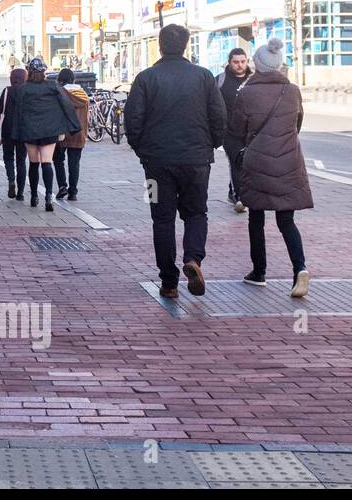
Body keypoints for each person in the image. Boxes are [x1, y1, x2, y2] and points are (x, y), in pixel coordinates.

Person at [123, 24, 227, 299]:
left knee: (162, 219)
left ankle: (168, 281)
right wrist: (211, 145)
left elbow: (132, 121)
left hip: (156, 163)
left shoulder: (146, 78)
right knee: (196, 212)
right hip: (196, 161)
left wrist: (142, 150)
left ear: (160, 45)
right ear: (185, 46)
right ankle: (193, 259)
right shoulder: (204, 77)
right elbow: (219, 117)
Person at [231, 38, 312, 297]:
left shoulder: (246, 93)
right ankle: (299, 268)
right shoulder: (293, 91)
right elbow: (297, 124)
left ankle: (259, 272)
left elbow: (238, 130)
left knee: (256, 218)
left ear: (257, 65)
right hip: (289, 162)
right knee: (286, 220)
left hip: (258, 162)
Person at [10, 58, 80, 211]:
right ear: (44, 72)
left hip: (29, 130)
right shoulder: (52, 85)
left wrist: (16, 132)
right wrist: (73, 125)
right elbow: (66, 104)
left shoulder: (23, 88)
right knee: (47, 163)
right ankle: (48, 195)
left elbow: (18, 111)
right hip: (49, 130)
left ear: (30, 71)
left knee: (34, 163)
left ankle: (34, 196)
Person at [217, 47, 251, 214]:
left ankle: (232, 190)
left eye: (243, 61)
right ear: (229, 63)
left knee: (248, 164)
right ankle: (240, 198)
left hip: (251, 131)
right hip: (230, 132)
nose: (239, 65)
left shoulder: (254, 80)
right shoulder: (221, 81)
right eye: (236, 62)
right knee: (237, 162)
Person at [53, 67, 90, 200]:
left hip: (62, 132)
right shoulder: (83, 94)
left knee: (58, 160)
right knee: (74, 163)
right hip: (78, 133)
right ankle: (73, 192)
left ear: (60, 79)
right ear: (73, 79)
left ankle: (62, 186)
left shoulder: (60, 93)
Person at [0, 66, 28, 199]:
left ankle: (11, 180)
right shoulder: (27, 91)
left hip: (7, 129)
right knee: (21, 160)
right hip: (23, 130)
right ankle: (20, 192)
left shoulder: (7, 91)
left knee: (8, 157)